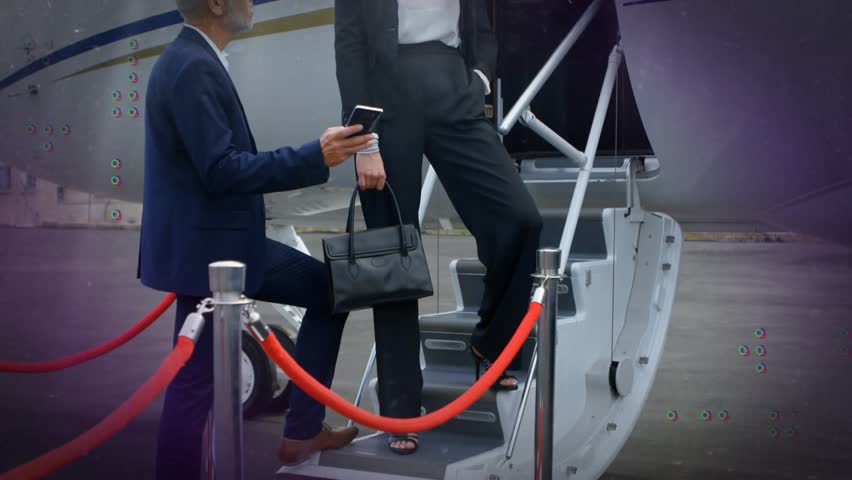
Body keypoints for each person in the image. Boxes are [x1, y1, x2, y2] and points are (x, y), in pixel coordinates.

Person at [138, 0, 377, 476]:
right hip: (211, 258)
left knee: (328, 292)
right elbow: (221, 169)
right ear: (216, 3)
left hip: (224, 246)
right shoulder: (192, 67)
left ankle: (302, 430)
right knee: (192, 390)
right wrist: (317, 154)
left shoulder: (193, 59)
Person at [334, 0, 543, 454]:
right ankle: (400, 405)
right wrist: (364, 141)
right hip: (385, 98)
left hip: (454, 85)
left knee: (519, 219)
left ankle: (492, 343)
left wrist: (481, 80)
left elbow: (483, 31)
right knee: (394, 250)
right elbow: (349, 49)